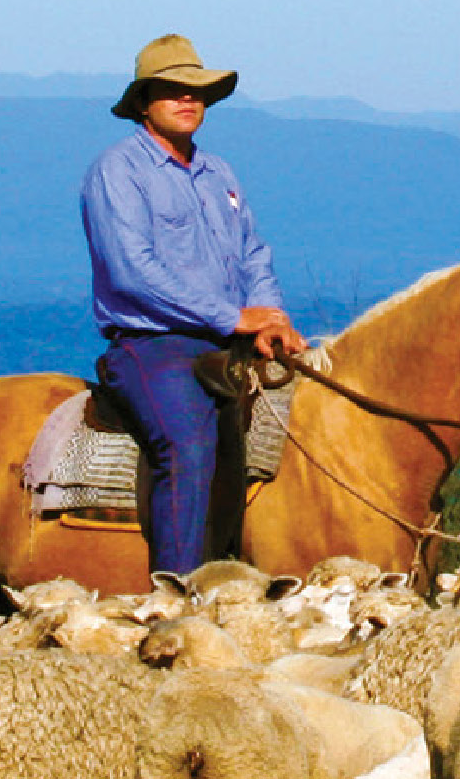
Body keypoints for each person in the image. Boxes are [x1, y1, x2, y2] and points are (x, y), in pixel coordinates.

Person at [80, 33, 306, 574]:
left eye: (197, 91)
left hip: (230, 340)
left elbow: (253, 252)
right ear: (143, 102)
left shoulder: (218, 173)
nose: (188, 100)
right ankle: (180, 592)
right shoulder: (118, 170)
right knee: (187, 447)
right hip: (152, 343)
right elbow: (132, 268)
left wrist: (270, 317)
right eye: (172, 90)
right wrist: (232, 317)